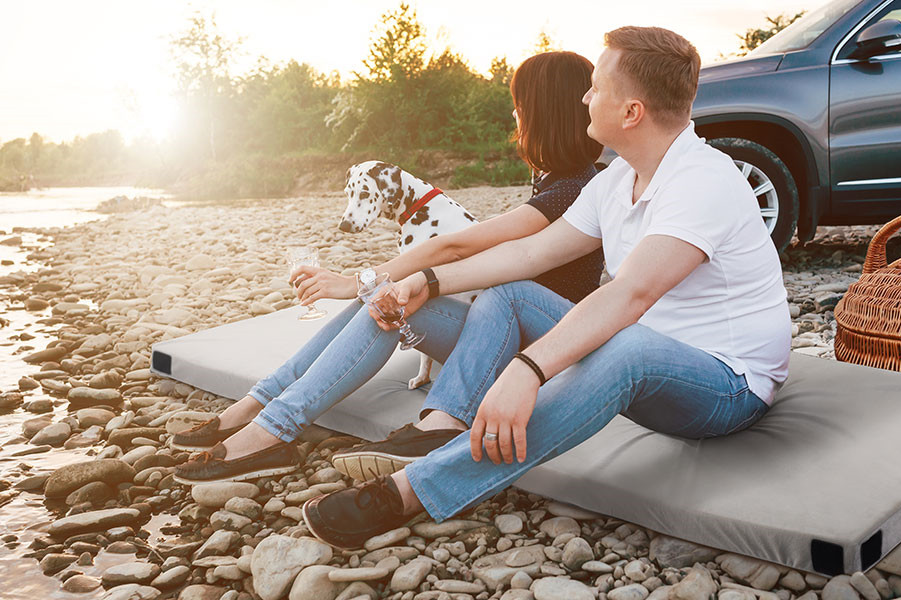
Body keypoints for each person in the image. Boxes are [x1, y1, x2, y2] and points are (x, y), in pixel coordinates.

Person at [300, 26, 792, 549]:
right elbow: (530, 254)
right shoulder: (614, 182)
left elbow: (630, 296)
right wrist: (426, 280)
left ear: (631, 112)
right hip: (649, 351)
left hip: (727, 384)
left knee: (629, 346)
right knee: (510, 293)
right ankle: (443, 425)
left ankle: (413, 490)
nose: (584, 96)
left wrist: (527, 370)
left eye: (597, 87)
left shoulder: (704, 181)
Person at [172, 51, 605, 484]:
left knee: (391, 302)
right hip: (502, 332)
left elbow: (455, 246)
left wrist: (357, 280)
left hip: (547, 347)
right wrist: (374, 284)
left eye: (521, 104)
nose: (515, 114)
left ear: (545, 112)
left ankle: (269, 431)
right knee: (386, 303)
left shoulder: (573, 188)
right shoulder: (554, 178)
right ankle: (258, 407)